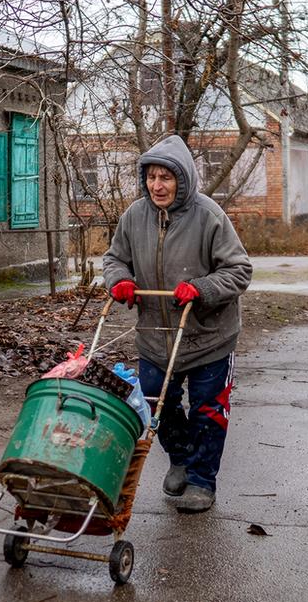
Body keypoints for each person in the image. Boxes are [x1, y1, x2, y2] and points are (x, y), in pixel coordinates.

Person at [103, 135, 252, 513]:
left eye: (166, 178)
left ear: (182, 180)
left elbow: (239, 270)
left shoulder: (209, 216)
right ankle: (181, 457)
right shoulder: (134, 216)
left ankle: (202, 482)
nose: (157, 185)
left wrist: (201, 288)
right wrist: (119, 281)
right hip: (155, 337)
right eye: (152, 177)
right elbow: (114, 259)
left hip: (208, 338)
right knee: (154, 403)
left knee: (208, 411)